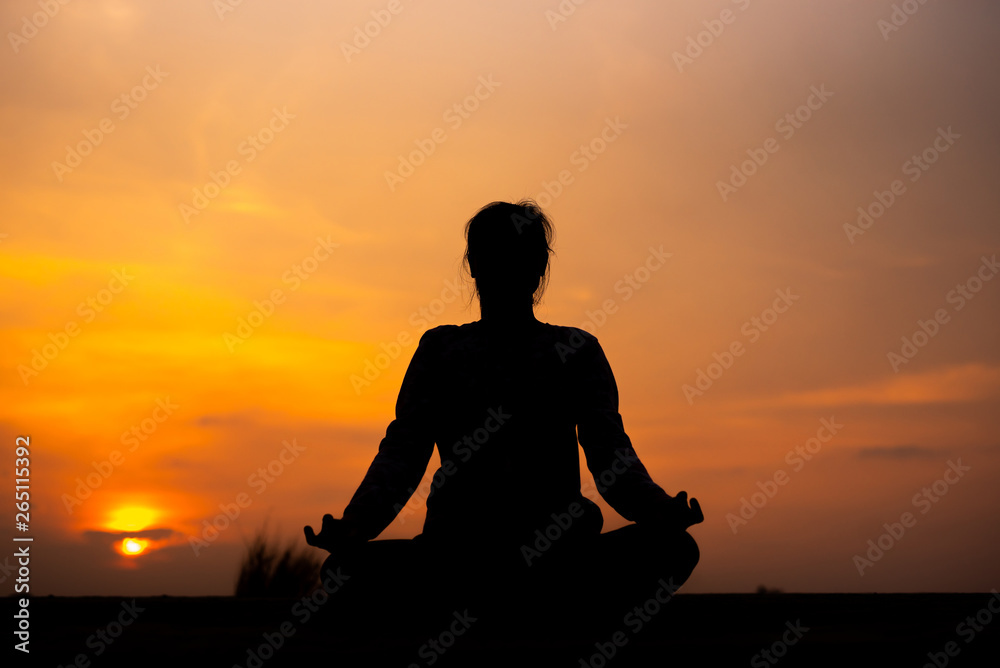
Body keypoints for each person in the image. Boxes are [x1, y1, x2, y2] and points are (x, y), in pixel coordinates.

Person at [305, 200, 702, 630]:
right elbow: (403, 454)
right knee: (342, 569)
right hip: (461, 556)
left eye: (517, 256)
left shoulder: (574, 351)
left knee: (675, 548)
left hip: (551, 556)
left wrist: (658, 509)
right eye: (496, 256)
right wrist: (356, 526)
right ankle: (550, 612)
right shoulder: (443, 350)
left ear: (536, 268)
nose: (506, 268)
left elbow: (610, 457)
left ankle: (496, 610)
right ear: (476, 265)